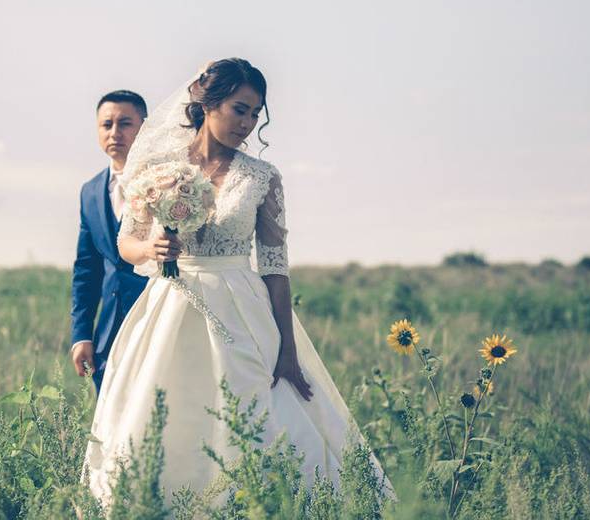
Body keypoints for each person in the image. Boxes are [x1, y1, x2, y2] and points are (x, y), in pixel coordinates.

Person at [82, 59, 395, 505]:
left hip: (241, 308)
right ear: (207, 104)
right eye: (238, 109)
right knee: (162, 413)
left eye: (255, 114)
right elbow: (126, 241)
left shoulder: (262, 178)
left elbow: (275, 267)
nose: (247, 124)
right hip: (169, 305)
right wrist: (151, 249)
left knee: (252, 410)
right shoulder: (158, 168)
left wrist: (286, 348)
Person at [70, 90, 150, 394]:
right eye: (107, 125)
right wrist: (82, 335)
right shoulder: (90, 191)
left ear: (145, 127)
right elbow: (86, 269)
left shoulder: (169, 180)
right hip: (108, 331)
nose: (115, 132)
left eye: (125, 123)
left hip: (155, 318)